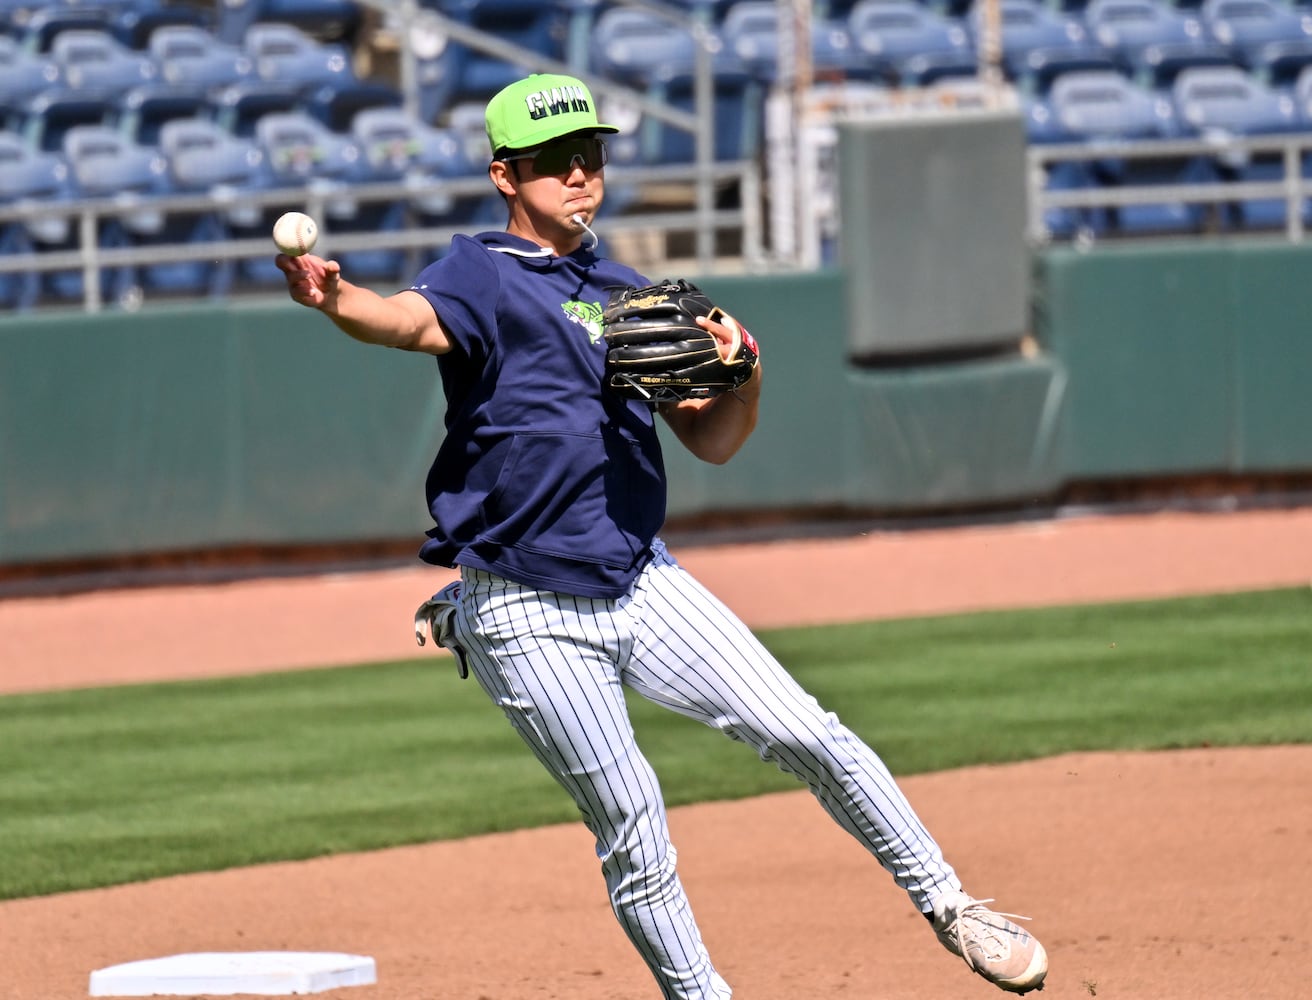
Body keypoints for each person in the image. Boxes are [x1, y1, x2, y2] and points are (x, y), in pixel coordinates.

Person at [277, 72, 1049, 999]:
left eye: (589, 156)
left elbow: (711, 441)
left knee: (812, 732)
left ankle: (952, 905)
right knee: (635, 823)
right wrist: (333, 298)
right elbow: (403, 321)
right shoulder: (477, 271)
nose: (578, 174)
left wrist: (747, 377)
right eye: (554, 162)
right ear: (504, 176)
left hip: (642, 579)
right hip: (528, 607)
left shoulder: (630, 290)